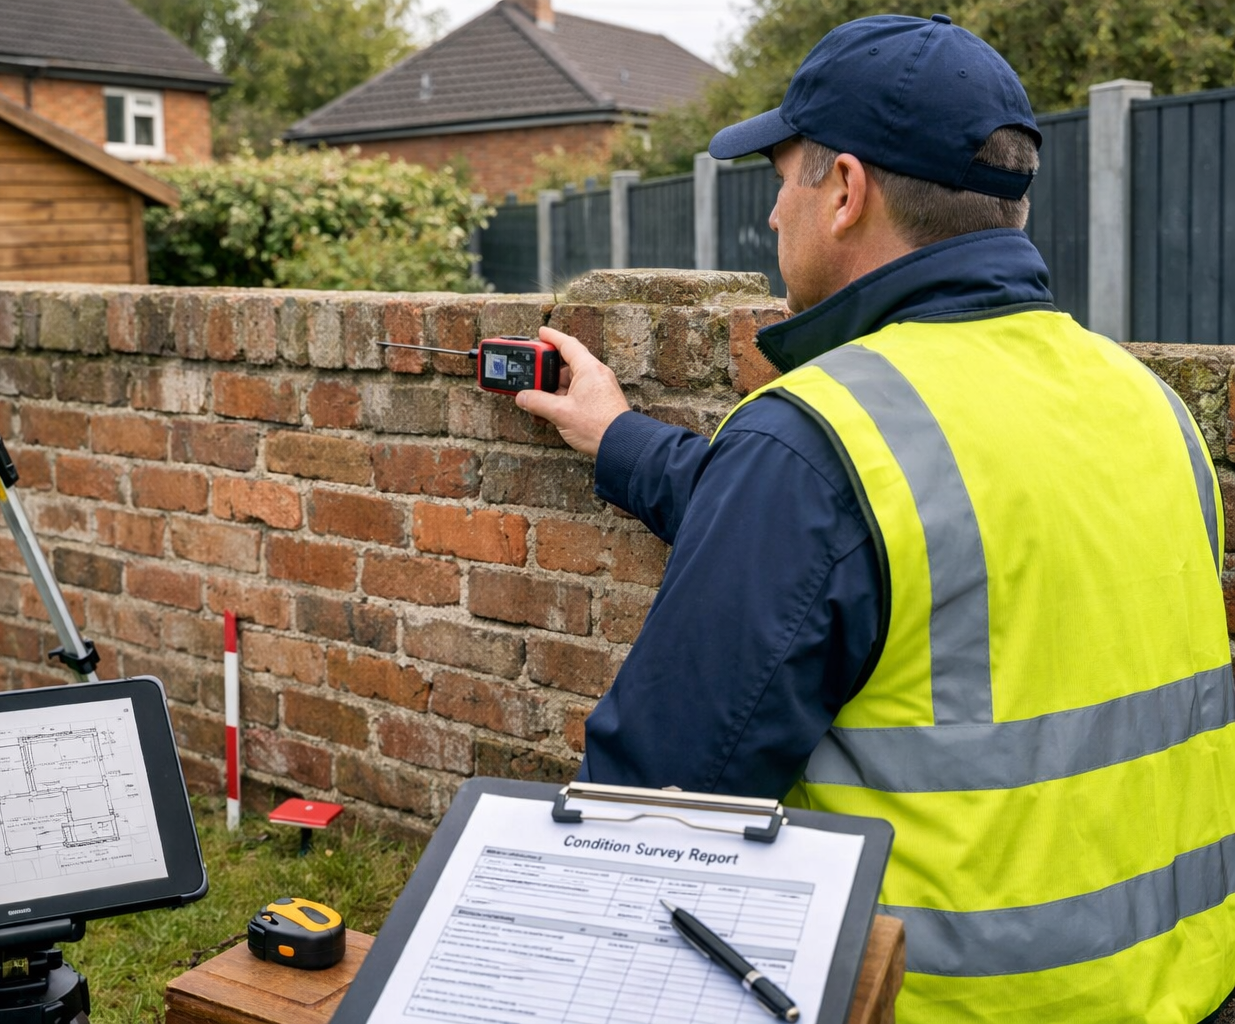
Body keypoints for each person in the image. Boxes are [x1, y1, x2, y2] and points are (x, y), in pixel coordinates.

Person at [515, 14, 1235, 1023]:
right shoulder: (1146, 405)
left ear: (845, 191)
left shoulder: (814, 442)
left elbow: (655, 816)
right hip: (1186, 989)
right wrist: (622, 437)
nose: (771, 219)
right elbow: (886, 546)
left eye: (781, 179)